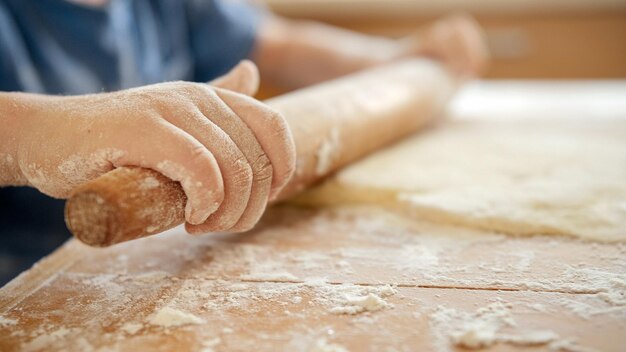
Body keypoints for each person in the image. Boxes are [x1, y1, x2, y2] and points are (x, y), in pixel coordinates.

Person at [0, 0, 487, 283]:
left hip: (146, 267)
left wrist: (399, 61)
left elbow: (278, 44)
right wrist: (33, 134)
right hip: (22, 279)